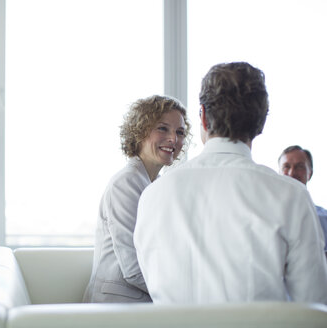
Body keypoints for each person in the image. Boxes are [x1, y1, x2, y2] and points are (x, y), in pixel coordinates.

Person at [134, 62, 327, 304]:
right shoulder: (292, 196)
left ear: (202, 117)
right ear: (261, 123)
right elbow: (313, 304)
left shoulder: (153, 196)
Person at [83, 95, 191, 303]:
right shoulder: (126, 183)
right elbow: (133, 269)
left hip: (141, 302)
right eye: (163, 128)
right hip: (117, 305)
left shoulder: (154, 184)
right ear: (140, 131)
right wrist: (182, 294)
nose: (173, 139)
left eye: (180, 132)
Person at [278, 145, 327, 251]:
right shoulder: (265, 216)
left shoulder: (325, 219)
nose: (291, 173)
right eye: (286, 166)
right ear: (279, 173)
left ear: (310, 173)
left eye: (299, 166)